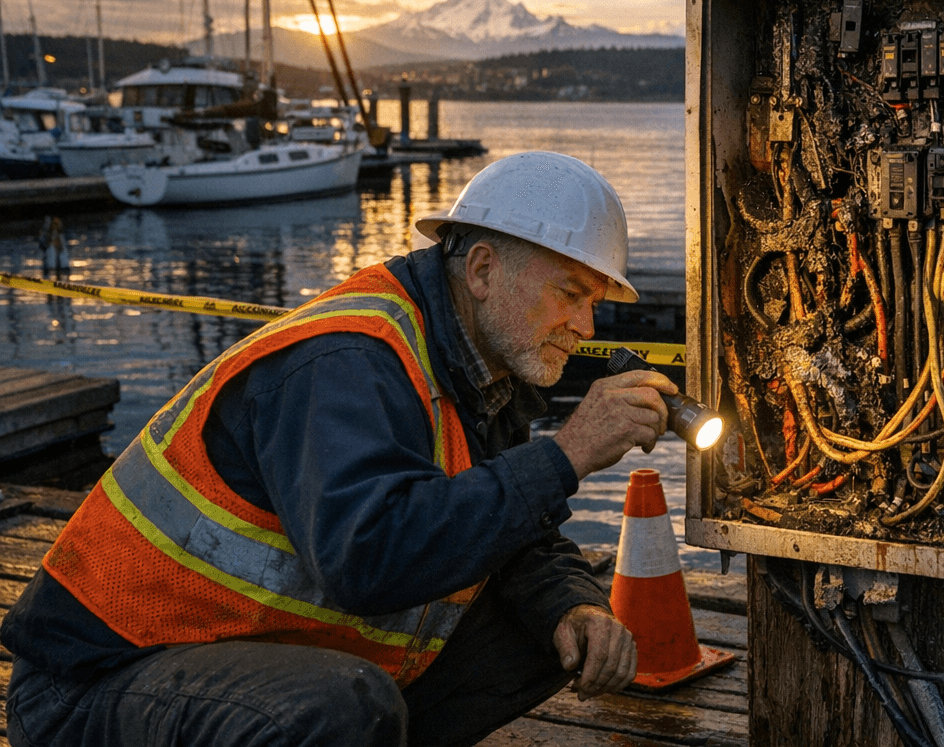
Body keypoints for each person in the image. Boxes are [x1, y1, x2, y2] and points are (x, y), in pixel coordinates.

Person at [1, 151, 678, 747]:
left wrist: (574, 607)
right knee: (338, 705)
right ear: (480, 270)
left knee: (554, 628)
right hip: (93, 688)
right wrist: (567, 454)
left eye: (593, 303)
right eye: (570, 294)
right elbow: (366, 562)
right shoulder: (347, 362)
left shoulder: (478, 366)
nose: (584, 325)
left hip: (236, 658)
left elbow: (517, 541)